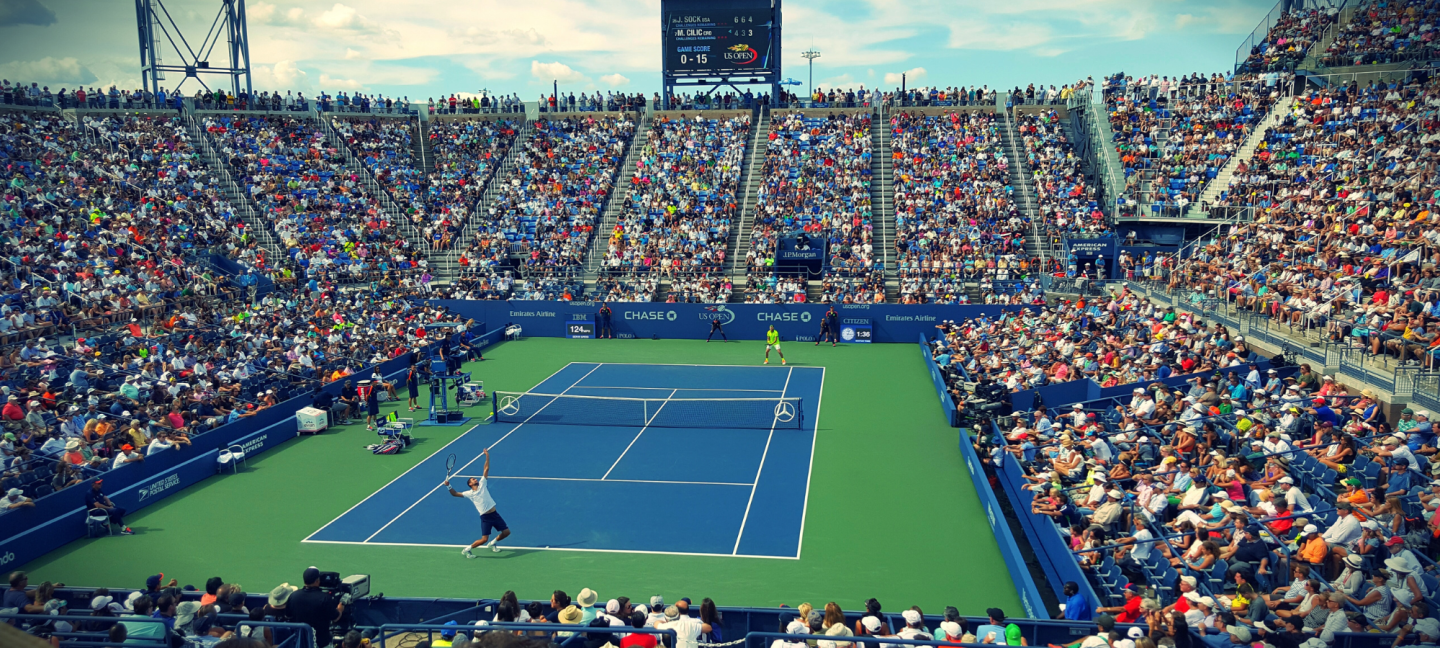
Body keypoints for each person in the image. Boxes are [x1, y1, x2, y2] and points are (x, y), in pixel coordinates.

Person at [445, 448, 511, 556]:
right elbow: (455, 494)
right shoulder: (469, 493)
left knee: (506, 532)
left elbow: (486, 468)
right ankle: (467, 549)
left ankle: (493, 543)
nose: (475, 479)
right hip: (485, 517)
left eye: (475, 478)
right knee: (484, 539)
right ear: (470, 484)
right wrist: (448, 486)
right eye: (472, 479)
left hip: (495, 514)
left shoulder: (482, 484)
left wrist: (487, 456)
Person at [288, 567, 345, 648]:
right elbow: (336, 618)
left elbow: (288, 616)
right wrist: (340, 607)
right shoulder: (324, 598)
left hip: (299, 642)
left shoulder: (293, 596)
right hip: (322, 643)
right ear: (317, 581)